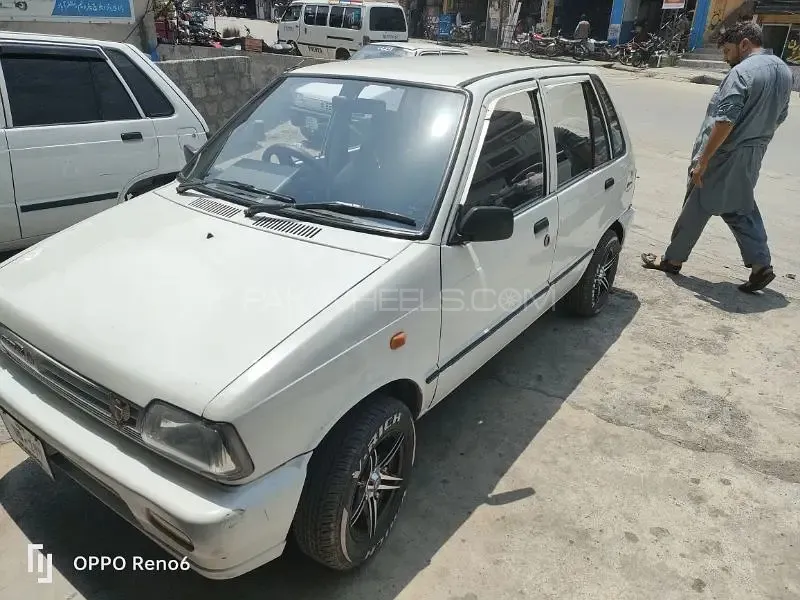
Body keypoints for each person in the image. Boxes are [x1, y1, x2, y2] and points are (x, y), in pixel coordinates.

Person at [641, 22, 792, 293]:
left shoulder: (741, 72)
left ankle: (673, 260)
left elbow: (725, 121)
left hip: (725, 154)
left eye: (727, 50)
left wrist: (704, 160)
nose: (725, 56)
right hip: (753, 154)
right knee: (740, 207)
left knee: (696, 204)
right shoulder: (782, 69)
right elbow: (780, 116)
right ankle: (761, 266)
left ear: (744, 44)